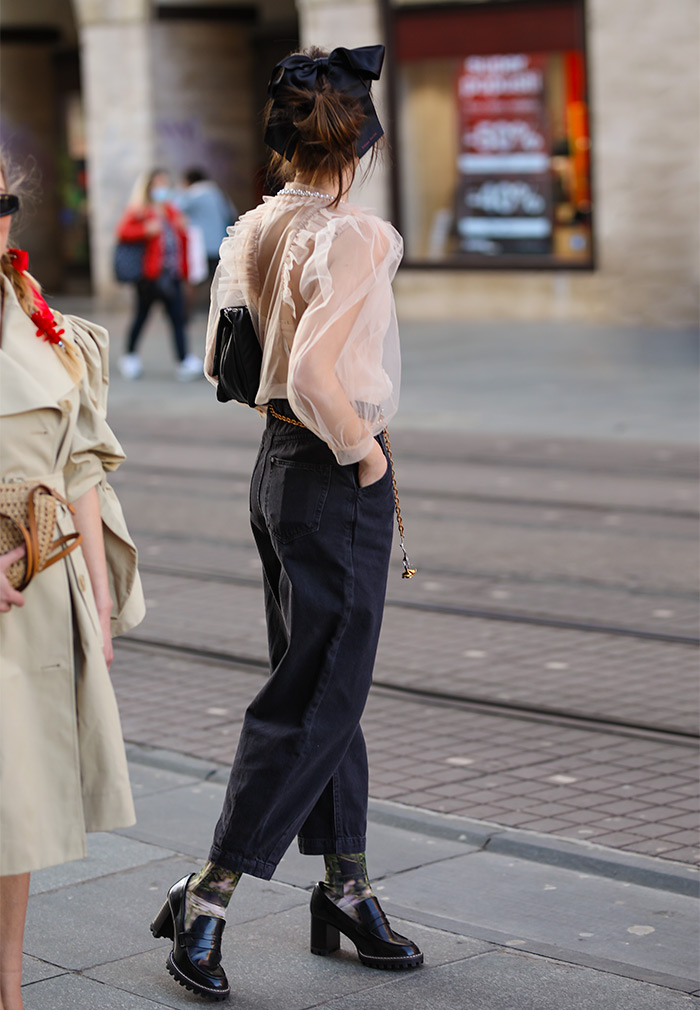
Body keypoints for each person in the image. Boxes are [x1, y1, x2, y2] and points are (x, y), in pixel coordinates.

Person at [149, 45, 422, 1002]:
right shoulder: (358, 235)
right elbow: (313, 373)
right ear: (365, 144)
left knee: (323, 688)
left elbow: (239, 363)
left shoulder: (258, 223)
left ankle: (345, 888)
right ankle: (208, 893)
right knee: (313, 699)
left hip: (272, 472)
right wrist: (369, 453)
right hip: (331, 472)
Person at [0, 151, 145, 1010]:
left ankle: (9, 990)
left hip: (39, 586)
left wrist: (97, 594)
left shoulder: (35, 310)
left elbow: (83, 466)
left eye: (4, 201)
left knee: (20, 807)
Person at [116, 169, 202, 381]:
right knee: (142, 316)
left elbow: (180, 241)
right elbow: (122, 232)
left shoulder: (171, 211)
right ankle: (129, 356)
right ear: (149, 188)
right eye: (158, 185)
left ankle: (184, 360)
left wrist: (182, 228)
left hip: (172, 275)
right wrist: (145, 230)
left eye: (165, 184)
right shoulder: (139, 211)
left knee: (177, 318)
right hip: (149, 276)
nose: (163, 189)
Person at [176, 168, 237, 282]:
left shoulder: (194, 194)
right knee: (217, 280)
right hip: (219, 243)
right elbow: (230, 214)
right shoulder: (217, 192)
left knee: (197, 280)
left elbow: (174, 207)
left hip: (202, 247)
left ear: (189, 181)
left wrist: (180, 190)